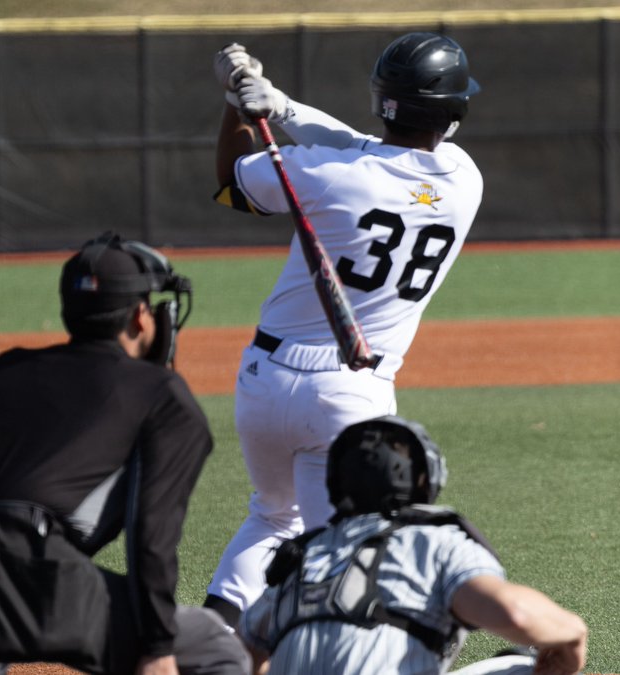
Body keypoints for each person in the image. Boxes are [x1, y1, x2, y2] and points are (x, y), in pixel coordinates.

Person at [0, 232, 250, 675]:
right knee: (215, 647)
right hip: (19, 576)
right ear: (141, 317)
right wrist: (157, 647)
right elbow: (151, 537)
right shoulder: (161, 394)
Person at [204, 31, 485, 628]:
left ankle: (212, 641)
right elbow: (366, 149)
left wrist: (236, 106)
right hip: (353, 392)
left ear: (382, 99)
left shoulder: (319, 172)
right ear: (453, 112)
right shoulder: (464, 179)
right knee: (346, 551)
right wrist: (280, 106)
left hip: (264, 379)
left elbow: (232, 183)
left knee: (272, 519)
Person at [237, 416, 589, 675]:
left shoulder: (303, 557)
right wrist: (574, 634)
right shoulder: (434, 541)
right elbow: (516, 614)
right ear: (425, 480)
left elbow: (244, 658)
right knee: (525, 666)